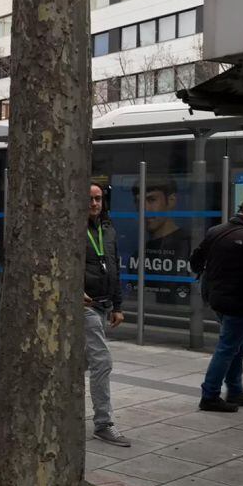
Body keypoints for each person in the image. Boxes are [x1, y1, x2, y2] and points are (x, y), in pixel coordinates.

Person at [189, 197, 243, 412]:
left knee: (236, 343)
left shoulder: (216, 230)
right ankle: (210, 394)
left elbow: (196, 259)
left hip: (216, 298)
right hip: (240, 302)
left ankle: (235, 390)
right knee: (227, 346)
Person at [85, 183, 130, 448]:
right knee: (102, 361)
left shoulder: (107, 229)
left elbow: (113, 268)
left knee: (77, 362)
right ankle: (104, 424)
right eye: (89, 199)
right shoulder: (71, 228)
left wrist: (118, 306)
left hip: (103, 304)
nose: (94, 203)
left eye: (98, 199)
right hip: (83, 305)